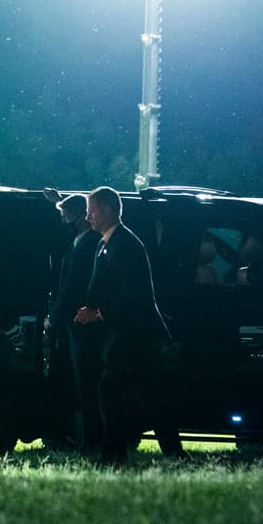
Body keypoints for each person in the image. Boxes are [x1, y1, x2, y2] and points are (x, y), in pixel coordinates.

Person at [75, 186, 185, 465]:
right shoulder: (108, 243)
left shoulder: (127, 246)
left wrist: (98, 313)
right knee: (148, 393)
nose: (88, 217)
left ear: (108, 210)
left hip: (133, 332)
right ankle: (168, 452)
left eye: (91, 211)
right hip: (125, 331)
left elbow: (132, 295)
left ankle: (114, 453)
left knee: (111, 390)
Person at [42, 190, 104, 452]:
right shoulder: (82, 241)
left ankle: (89, 439)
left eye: (66, 215)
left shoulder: (87, 244)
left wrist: (53, 319)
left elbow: (71, 288)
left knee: (84, 382)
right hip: (74, 324)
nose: (63, 221)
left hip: (80, 325)